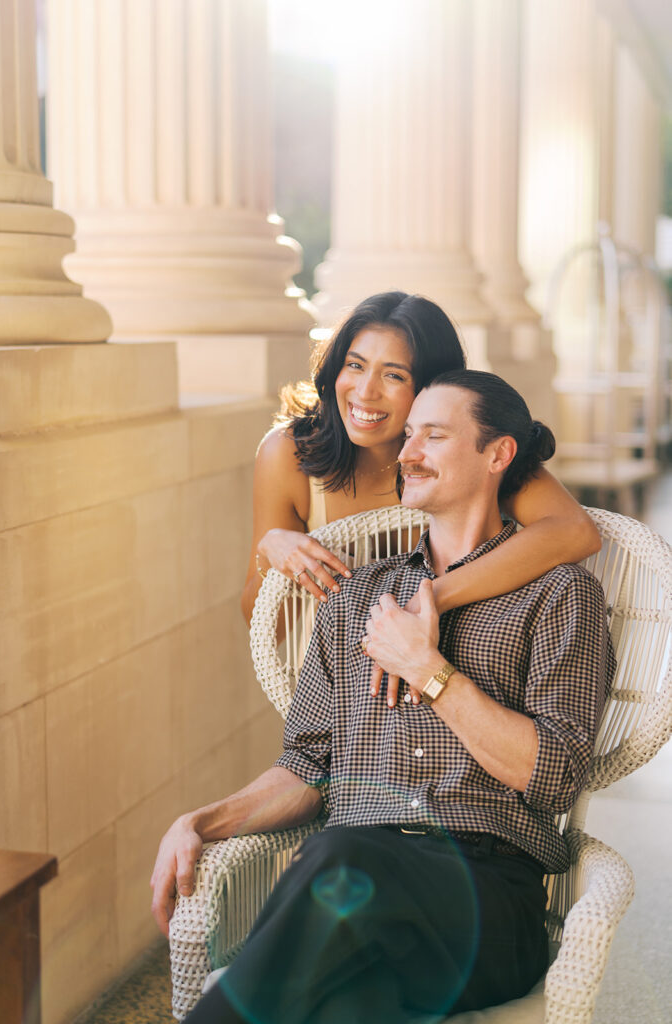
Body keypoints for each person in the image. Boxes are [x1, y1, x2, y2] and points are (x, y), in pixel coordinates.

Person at [151, 370, 615, 1023]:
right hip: (355, 895)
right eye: (407, 437)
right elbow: (308, 768)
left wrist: (429, 672)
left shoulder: (559, 595)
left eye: (433, 435)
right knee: (353, 1002)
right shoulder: (356, 597)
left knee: (341, 858)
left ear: (496, 454)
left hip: (486, 902)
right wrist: (200, 822)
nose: (405, 454)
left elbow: (552, 777)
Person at [241, 292, 600, 705]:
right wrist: (271, 551)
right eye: (354, 365)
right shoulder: (289, 454)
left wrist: (432, 597)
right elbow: (265, 624)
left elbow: (575, 532)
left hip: (459, 681)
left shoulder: (469, 453)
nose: (365, 391)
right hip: (342, 702)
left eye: (394, 376)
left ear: (432, 386)